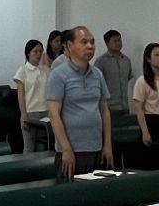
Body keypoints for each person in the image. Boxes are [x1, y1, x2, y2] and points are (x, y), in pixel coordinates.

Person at [46, 24, 115, 178]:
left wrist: (107, 145)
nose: (90, 46)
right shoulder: (58, 75)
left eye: (92, 42)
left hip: (95, 147)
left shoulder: (97, 74)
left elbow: (104, 110)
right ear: (69, 46)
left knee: (94, 190)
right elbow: (53, 115)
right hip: (71, 149)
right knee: (70, 190)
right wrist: (66, 149)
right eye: (84, 42)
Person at [130, 43, 159, 166]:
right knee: (153, 161)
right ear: (148, 59)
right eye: (157, 55)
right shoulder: (142, 81)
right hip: (153, 122)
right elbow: (138, 108)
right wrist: (145, 132)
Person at [12, 39, 49, 150]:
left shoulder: (46, 70)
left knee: (42, 147)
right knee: (30, 146)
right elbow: (20, 95)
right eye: (35, 51)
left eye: (40, 51)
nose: (38, 54)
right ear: (28, 53)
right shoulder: (22, 71)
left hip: (45, 112)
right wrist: (24, 114)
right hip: (30, 112)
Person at [97, 30, 134, 117]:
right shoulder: (101, 61)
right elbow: (96, 84)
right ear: (107, 43)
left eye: (119, 40)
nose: (118, 43)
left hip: (125, 107)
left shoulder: (126, 60)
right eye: (115, 41)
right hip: (108, 108)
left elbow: (128, 78)